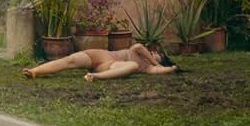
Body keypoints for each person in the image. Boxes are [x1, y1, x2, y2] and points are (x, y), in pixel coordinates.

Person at [22, 43, 178, 81]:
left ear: (161, 61)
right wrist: (156, 61)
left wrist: (169, 67)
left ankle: (95, 77)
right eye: (153, 52)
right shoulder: (137, 50)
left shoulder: (149, 68)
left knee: (133, 65)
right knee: (70, 60)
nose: (153, 53)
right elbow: (138, 46)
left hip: (112, 67)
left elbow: (164, 71)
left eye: (157, 54)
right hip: (102, 55)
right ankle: (35, 71)